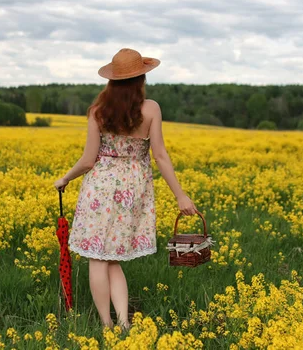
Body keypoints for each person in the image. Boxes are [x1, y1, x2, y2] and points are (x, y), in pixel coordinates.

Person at [53, 48, 198, 331]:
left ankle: (106, 324)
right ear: (140, 79)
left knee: (98, 258)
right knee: (113, 258)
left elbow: (87, 160)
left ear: (112, 81)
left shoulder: (98, 111)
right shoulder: (151, 109)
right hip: (132, 191)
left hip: (100, 189)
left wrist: (65, 179)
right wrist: (180, 195)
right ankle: (122, 323)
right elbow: (160, 156)